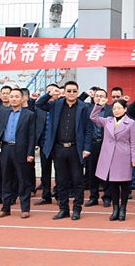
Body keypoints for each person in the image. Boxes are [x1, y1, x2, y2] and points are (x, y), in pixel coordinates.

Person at [35, 81, 92, 221]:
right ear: (64, 92)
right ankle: (63, 209)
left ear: (77, 92)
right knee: (61, 181)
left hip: (76, 149)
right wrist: (49, 94)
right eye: (69, 91)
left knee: (78, 181)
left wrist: (86, 148)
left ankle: (77, 209)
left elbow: (88, 130)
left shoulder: (84, 107)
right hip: (59, 149)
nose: (71, 93)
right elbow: (39, 104)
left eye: (74, 91)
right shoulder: (56, 104)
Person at [0, 88, 37, 219]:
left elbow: (32, 135)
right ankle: (5, 208)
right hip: (5, 149)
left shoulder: (29, 115)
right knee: (6, 180)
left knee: (23, 180)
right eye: (12, 96)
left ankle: (25, 209)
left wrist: (30, 152)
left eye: (16, 96)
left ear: (22, 99)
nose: (14, 99)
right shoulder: (3, 111)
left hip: (21, 150)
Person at [90, 99, 135, 222]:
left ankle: (123, 209)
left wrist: (134, 157)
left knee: (124, 185)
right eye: (114, 108)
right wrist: (99, 105)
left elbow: (133, 142)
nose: (116, 111)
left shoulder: (131, 123)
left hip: (123, 156)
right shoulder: (107, 120)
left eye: (119, 108)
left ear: (125, 109)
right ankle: (115, 209)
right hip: (109, 156)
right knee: (113, 184)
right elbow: (93, 117)